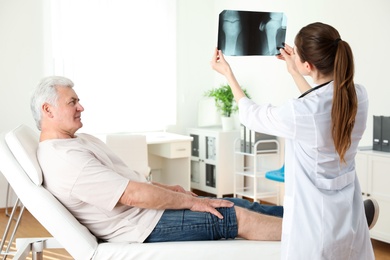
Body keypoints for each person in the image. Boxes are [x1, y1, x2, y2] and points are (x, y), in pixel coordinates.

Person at [30, 75, 284, 244]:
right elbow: (132, 195)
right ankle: (314, 239)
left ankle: (316, 220)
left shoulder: (79, 141)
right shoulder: (65, 160)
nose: (81, 107)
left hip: (145, 213)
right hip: (141, 226)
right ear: (48, 110)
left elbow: (127, 181)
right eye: (72, 102)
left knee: (235, 202)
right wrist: (187, 201)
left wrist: (169, 190)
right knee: (237, 216)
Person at [211, 22, 376, 259]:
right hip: (349, 214)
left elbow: (252, 115)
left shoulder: (301, 112)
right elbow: (320, 101)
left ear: (308, 65)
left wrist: (228, 74)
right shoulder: (358, 95)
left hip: (315, 224)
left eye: (296, 54)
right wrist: (294, 71)